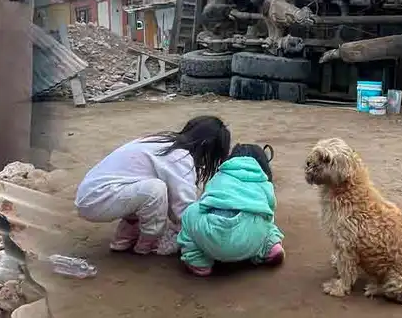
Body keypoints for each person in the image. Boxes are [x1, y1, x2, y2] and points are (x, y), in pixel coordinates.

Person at [74, 115, 232, 255]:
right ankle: (147, 245)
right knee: (155, 190)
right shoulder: (180, 157)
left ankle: (123, 240)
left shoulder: (161, 142)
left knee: (149, 191)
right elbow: (183, 208)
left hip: (93, 193)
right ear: (207, 147)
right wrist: (207, 233)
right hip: (98, 199)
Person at [177, 143, 285, 277]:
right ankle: (270, 247)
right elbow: (270, 210)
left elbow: (206, 202)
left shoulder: (219, 175)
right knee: (265, 220)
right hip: (250, 239)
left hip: (212, 239)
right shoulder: (264, 182)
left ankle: (198, 261)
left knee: (191, 211)